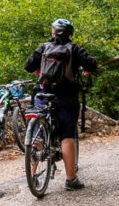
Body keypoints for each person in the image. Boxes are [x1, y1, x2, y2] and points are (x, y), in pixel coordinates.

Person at [25, 18, 97, 191]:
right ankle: (71, 180)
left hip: (43, 94)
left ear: (53, 32)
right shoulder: (74, 49)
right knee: (67, 135)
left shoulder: (44, 47)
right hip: (66, 97)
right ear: (70, 33)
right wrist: (86, 69)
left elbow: (28, 65)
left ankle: (32, 176)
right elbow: (92, 63)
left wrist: (38, 70)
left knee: (38, 136)